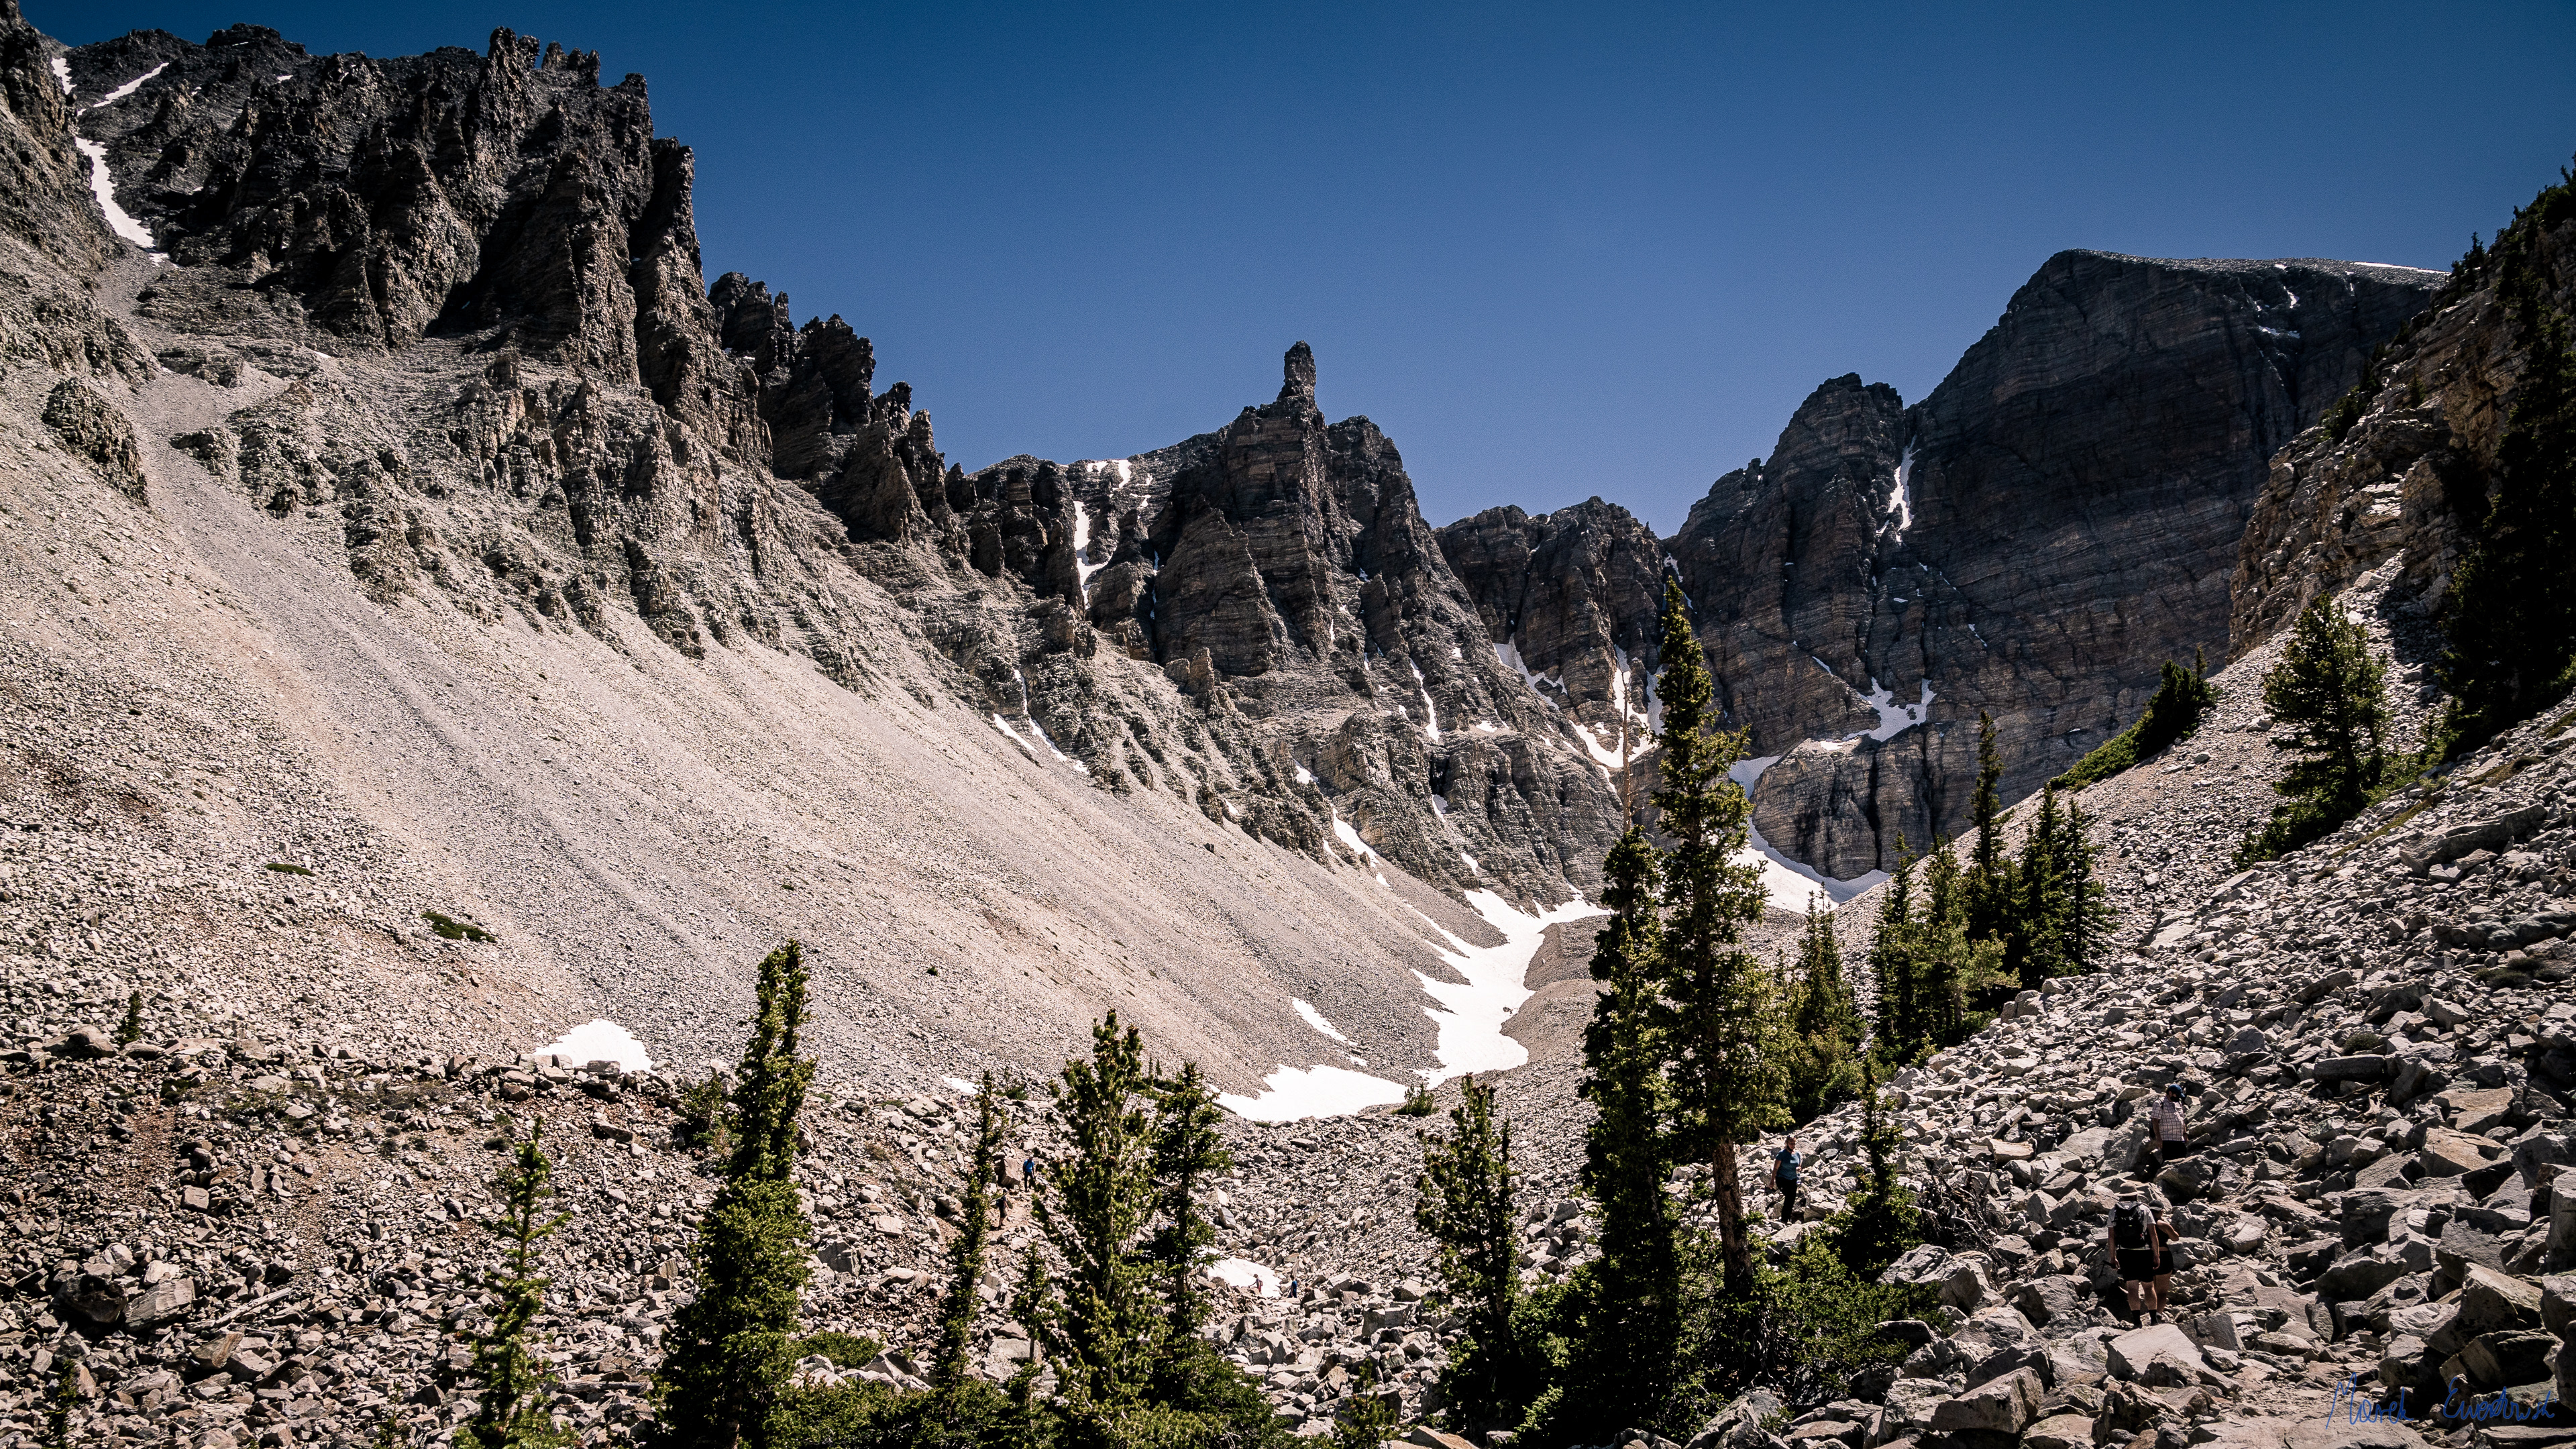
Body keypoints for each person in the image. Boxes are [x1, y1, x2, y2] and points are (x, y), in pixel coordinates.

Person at [2106, 1193, 2178, 1322]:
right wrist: (2156, 1255)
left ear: (2121, 1196)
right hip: (2145, 1253)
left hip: (2125, 1253)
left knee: (2132, 1288)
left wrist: (2113, 1257)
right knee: (2150, 1287)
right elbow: (2153, 1235)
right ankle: (2155, 1318)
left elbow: (2111, 1237)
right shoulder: (2144, 1210)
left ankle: (2137, 1320)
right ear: (2135, 1195)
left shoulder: (2114, 1211)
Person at [2147, 1084, 2190, 1174]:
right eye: (2176, 1095)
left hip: (2179, 1138)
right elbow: (2155, 1121)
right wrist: (2158, 1138)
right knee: (2168, 1162)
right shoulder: (2159, 1103)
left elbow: (2182, 1120)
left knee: (2182, 1161)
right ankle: (2161, 1180)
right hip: (2167, 1139)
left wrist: (2185, 1134)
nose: (2178, 1098)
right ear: (2170, 1093)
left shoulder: (2178, 1103)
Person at [1772, 1135, 1804, 1217]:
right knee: (1789, 1196)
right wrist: (1772, 1182)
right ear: (1786, 1143)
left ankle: (1787, 1217)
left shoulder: (1797, 1154)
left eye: (1794, 1143)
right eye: (1791, 1143)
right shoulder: (1781, 1154)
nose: (1793, 1145)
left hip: (1793, 1179)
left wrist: (1800, 1168)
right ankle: (1784, 1219)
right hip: (1782, 1179)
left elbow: (1800, 1165)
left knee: (1792, 1198)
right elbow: (1775, 1168)